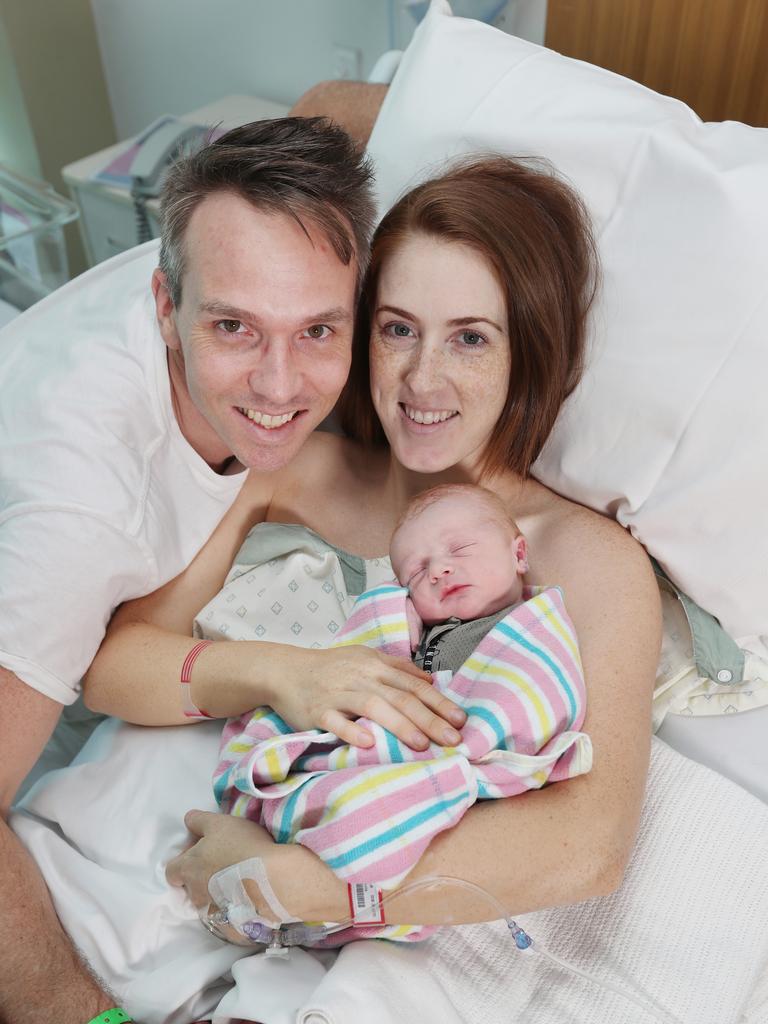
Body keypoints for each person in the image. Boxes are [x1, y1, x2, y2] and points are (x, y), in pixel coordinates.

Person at [79, 152, 660, 977]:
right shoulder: (290, 472)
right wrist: (292, 675)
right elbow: (114, 666)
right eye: (397, 329)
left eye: (470, 338)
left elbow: (590, 847)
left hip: (368, 949)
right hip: (149, 861)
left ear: (526, 351)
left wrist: (311, 886)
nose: (424, 379)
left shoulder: (585, 558)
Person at [1, 104, 466, 1022]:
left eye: (319, 331)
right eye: (236, 331)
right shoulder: (85, 517)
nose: (281, 386)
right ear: (166, 305)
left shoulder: (257, 233)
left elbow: (347, 94)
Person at [210, 482, 592, 947]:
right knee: (298, 744)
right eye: (416, 571)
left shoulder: (528, 634)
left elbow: (532, 705)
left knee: (363, 811)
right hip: (381, 739)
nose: (440, 569)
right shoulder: (412, 632)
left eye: (461, 548)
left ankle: (315, 882)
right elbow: (356, 668)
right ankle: (289, 836)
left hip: (449, 760)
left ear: (519, 555)